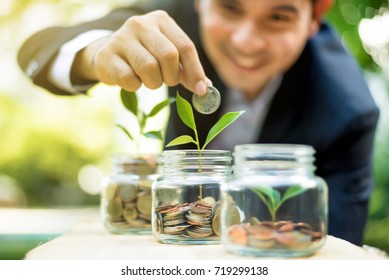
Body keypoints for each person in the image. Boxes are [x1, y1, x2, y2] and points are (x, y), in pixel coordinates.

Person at [18, 0, 379, 246]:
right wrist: (96, 53)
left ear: (315, 17)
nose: (246, 41)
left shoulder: (347, 111)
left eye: (279, 17)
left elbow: (339, 247)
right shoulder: (170, 20)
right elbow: (37, 50)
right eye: (229, 7)